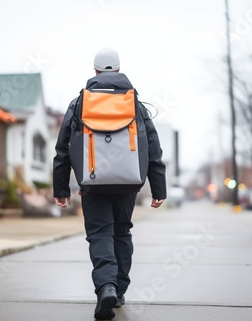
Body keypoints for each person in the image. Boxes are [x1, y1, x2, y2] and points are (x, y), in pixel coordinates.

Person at [53, 47, 167, 320]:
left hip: (92, 182)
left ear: (94, 71)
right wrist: (158, 188)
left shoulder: (79, 103)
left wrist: (61, 189)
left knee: (100, 233)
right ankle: (119, 288)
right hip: (128, 182)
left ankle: (106, 286)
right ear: (118, 70)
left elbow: (63, 149)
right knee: (122, 231)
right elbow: (152, 148)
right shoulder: (134, 104)